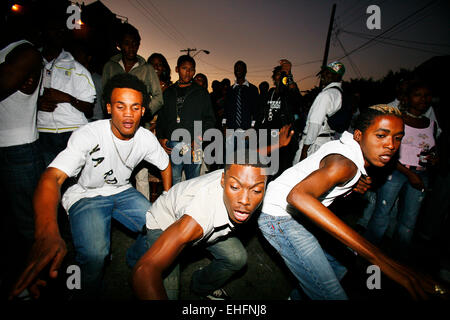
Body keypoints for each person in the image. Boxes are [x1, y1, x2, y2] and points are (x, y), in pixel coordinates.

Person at [9, 73, 172, 300]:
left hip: (122, 191)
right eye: (120, 106)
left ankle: (136, 260)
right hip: (85, 195)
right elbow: (52, 177)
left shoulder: (146, 138)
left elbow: (165, 165)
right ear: (108, 108)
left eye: (135, 107)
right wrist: (46, 231)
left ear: (143, 111)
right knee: (95, 255)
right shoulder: (88, 134)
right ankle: (82, 291)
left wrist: (165, 195)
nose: (128, 114)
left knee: (163, 225)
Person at [258, 104, 445, 300]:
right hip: (280, 217)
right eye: (381, 135)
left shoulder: (349, 152)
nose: (391, 144)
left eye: (398, 138)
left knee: (342, 263)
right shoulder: (346, 164)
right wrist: (378, 257)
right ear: (358, 135)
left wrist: (350, 185)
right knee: (333, 294)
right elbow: (298, 196)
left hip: (297, 213)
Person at [131, 152, 268, 300]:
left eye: (256, 190)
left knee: (236, 258)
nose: (244, 201)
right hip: (166, 221)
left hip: (203, 226)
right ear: (223, 180)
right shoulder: (199, 215)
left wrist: (278, 144)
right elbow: (143, 271)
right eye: (235, 187)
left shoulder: (242, 174)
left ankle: (201, 286)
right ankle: (137, 252)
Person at [364, 81, 439, 260]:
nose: (423, 99)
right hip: (396, 171)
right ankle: (368, 255)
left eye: (427, 95)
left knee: (408, 222)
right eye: (418, 94)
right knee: (382, 215)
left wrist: (434, 158)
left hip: (421, 173)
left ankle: (398, 261)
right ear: (407, 98)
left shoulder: (430, 123)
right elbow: (387, 151)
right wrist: (410, 174)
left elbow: (431, 148)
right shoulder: (398, 121)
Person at [0, 39, 45, 297]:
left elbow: (6, 82)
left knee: (30, 225)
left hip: (19, 149)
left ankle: (36, 284)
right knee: (8, 224)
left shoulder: (26, 51)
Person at [102, 23, 163, 200]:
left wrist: (143, 112)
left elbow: (158, 97)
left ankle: (144, 219)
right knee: (113, 170)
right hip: (113, 129)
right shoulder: (110, 67)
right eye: (127, 43)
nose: (131, 47)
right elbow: (104, 97)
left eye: (135, 43)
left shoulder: (147, 69)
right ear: (119, 44)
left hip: (139, 128)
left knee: (141, 174)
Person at [37, 19, 96, 166]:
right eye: (52, 29)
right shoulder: (31, 63)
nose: (56, 34)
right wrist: (36, 104)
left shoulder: (77, 69)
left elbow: (89, 109)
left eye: (60, 31)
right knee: (48, 181)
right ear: (43, 32)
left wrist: (67, 98)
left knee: (74, 182)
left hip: (72, 131)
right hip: (41, 131)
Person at [156, 55, 216, 185]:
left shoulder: (201, 92)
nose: (188, 72)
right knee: (174, 182)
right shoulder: (168, 92)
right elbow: (162, 118)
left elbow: (210, 120)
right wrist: (161, 138)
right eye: (184, 68)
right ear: (177, 69)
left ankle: (190, 206)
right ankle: (175, 206)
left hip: (196, 145)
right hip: (173, 144)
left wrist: (199, 138)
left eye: (191, 69)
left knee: (194, 183)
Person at [255, 59, 302, 176]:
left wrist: (288, 74)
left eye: (283, 74)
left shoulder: (288, 93)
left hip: (282, 136)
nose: (280, 77)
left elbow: (297, 99)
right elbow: (260, 114)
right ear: (274, 77)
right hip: (266, 136)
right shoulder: (269, 93)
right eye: (278, 74)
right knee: (264, 169)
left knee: (280, 170)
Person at [293, 61, 345, 164]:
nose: (323, 75)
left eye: (328, 73)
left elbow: (315, 124)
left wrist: (305, 150)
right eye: (324, 72)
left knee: (298, 177)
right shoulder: (337, 93)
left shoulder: (326, 95)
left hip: (313, 144)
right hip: (325, 142)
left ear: (336, 76)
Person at [223, 61, 261, 132]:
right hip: (231, 130)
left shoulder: (253, 89)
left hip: (246, 130)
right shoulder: (230, 90)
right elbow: (226, 110)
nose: (238, 70)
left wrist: (253, 127)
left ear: (245, 71)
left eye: (241, 68)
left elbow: (256, 111)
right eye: (236, 68)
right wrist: (224, 124)